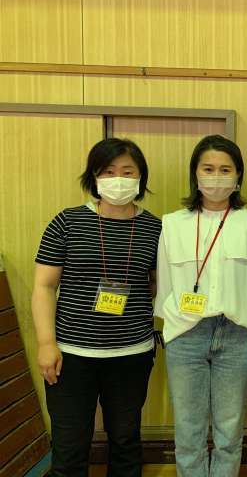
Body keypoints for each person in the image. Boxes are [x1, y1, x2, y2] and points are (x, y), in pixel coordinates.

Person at [32, 138, 161, 477]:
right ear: (94, 177)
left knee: (126, 443)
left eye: (128, 172)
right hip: (72, 354)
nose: (118, 179)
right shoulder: (67, 222)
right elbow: (44, 286)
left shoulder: (155, 228)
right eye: (108, 171)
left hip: (132, 354)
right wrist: (46, 343)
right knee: (69, 447)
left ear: (141, 178)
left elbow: (159, 284)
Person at [154, 134, 247, 477]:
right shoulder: (172, 224)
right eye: (208, 169)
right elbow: (164, 286)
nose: (216, 177)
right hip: (185, 334)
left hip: (236, 334)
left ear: (238, 176)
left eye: (225, 169)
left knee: (229, 431)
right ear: (195, 173)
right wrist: (178, 321)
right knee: (188, 431)